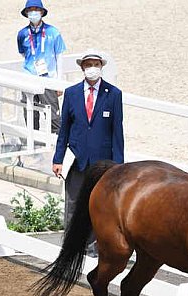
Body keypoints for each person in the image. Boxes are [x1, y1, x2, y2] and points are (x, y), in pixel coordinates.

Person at [52, 50, 124, 255]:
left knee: (98, 205)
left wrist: (118, 165)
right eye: (88, 64)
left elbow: (117, 131)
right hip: (77, 158)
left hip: (102, 162)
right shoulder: (72, 93)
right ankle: (71, 245)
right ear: (82, 67)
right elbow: (64, 129)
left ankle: (93, 246)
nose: (92, 68)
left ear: (101, 67)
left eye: (96, 64)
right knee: (73, 203)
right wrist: (58, 159)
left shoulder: (113, 94)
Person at [17, 0, 66, 133]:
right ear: (26, 13)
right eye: (30, 10)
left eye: (36, 9)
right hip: (29, 78)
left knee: (54, 118)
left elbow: (59, 56)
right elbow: (23, 53)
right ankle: (34, 149)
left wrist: (59, 81)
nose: (33, 12)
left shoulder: (53, 32)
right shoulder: (22, 34)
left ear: (42, 12)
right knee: (31, 115)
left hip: (48, 78)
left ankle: (58, 147)